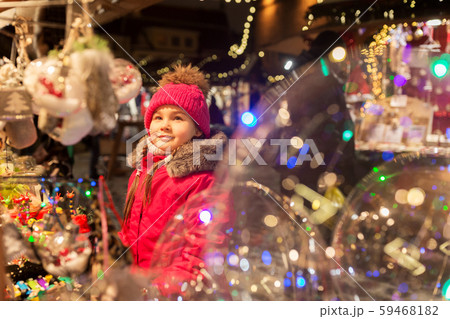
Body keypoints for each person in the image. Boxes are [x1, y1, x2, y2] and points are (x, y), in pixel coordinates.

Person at [118, 65, 229, 297]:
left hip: (173, 293)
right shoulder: (142, 171)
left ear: (198, 130)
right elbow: (130, 231)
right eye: (158, 117)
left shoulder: (202, 181)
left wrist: (161, 289)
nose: (164, 125)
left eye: (177, 118)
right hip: (140, 285)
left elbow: (202, 251)